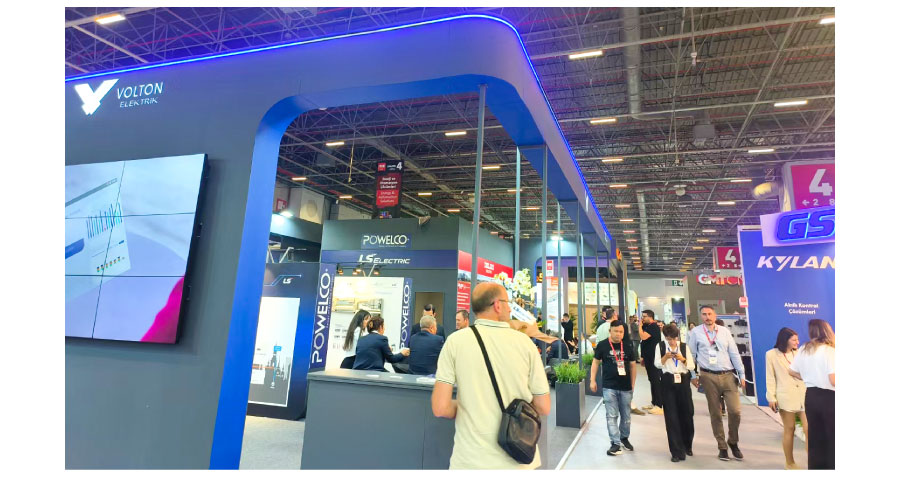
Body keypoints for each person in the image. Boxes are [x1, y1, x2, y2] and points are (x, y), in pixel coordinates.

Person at [432, 282, 551, 469]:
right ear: (497, 305)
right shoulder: (525, 344)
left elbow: (440, 407)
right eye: (508, 303)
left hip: (469, 461)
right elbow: (543, 406)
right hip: (516, 463)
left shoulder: (455, 342)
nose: (510, 308)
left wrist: (468, 406)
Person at [688, 305, 746, 461]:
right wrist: (692, 375)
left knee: (735, 411)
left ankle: (733, 441)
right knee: (715, 413)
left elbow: (734, 353)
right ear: (701, 316)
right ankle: (722, 446)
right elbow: (691, 355)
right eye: (704, 314)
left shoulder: (724, 332)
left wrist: (741, 374)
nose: (707, 317)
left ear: (715, 315)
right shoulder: (696, 333)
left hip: (728, 375)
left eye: (709, 314)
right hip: (708, 376)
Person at [789, 319, 835, 470]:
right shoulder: (829, 351)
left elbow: (791, 371)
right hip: (830, 398)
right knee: (832, 437)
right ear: (827, 331)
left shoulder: (804, 349)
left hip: (811, 396)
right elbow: (833, 380)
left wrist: (808, 378)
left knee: (815, 436)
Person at [590, 321, 637, 456]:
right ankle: (615, 443)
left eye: (621, 332)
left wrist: (632, 384)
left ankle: (624, 438)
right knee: (611, 415)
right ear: (610, 331)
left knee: (626, 416)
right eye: (616, 331)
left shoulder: (628, 345)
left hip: (626, 386)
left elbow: (633, 366)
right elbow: (595, 363)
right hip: (609, 386)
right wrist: (592, 380)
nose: (618, 334)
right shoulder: (602, 345)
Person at [765, 327, 808, 469]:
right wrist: (771, 397)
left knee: (809, 430)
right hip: (786, 397)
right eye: (794, 340)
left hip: (804, 395)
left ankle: (813, 462)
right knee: (789, 429)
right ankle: (790, 463)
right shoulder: (771, 355)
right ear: (785, 340)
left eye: (797, 339)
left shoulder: (800, 353)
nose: (798, 342)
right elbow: (770, 377)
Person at [655, 324, 695, 462]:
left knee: (687, 414)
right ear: (665, 337)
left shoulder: (683, 347)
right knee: (671, 417)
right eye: (669, 339)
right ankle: (676, 451)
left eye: (674, 338)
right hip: (668, 381)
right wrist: (665, 357)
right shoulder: (660, 346)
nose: (672, 341)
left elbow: (691, 366)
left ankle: (687, 444)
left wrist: (681, 359)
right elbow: (657, 364)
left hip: (683, 380)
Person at [638, 310, 664, 415]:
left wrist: (639, 326)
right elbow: (644, 343)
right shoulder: (648, 326)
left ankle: (659, 405)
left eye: (644, 316)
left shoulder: (653, 326)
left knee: (655, 380)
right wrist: (643, 357)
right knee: (652, 380)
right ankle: (654, 403)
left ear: (650, 317)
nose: (642, 319)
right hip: (648, 358)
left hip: (654, 358)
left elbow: (643, 337)